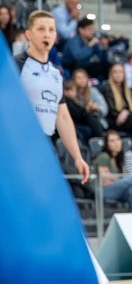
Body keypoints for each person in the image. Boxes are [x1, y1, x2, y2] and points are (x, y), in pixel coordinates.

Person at [14, 10, 90, 183]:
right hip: (19, 143)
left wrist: (77, 157)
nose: (46, 34)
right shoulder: (15, 66)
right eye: (41, 29)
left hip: (45, 144)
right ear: (29, 34)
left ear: (56, 35)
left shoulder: (57, 73)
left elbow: (62, 117)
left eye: (51, 30)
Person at [94, 130, 132, 212]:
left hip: (116, 189)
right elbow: (104, 180)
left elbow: (116, 179)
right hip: (102, 190)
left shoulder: (120, 159)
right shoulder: (104, 156)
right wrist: (119, 180)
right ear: (106, 143)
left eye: (118, 140)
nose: (116, 143)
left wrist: (115, 180)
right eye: (112, 141)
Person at [63, 78, 106, 143]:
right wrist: (85, 110)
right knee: (88, 125)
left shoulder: (71, 101)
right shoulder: (66, 101)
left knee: (90, 122)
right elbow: (75, 113)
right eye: (73, 90)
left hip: (75, 122)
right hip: (70, 124)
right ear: (66, 91)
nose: (75, 93)